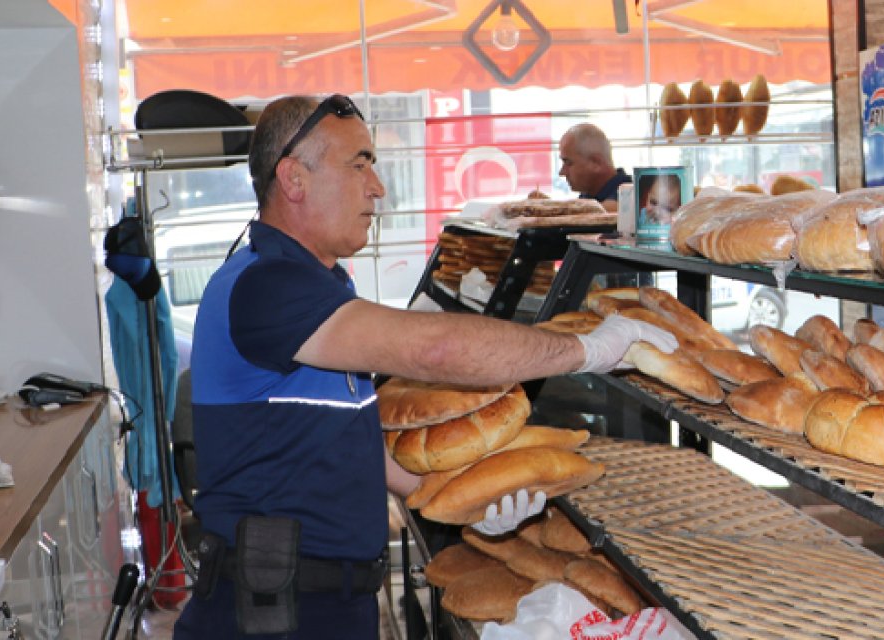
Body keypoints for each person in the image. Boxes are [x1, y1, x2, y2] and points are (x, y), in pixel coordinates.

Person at [174, 94, 676, 639]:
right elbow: (433, 350)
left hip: (320, 602)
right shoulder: (265, 285)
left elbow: (353, 441)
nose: (378, 187)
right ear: (294, 178)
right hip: (269, 612)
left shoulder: (319, 283)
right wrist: (586, 350)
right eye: (359, 164)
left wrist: (466, 501)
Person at [556, 122, 631, 211]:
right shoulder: (588, 195)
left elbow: (605, 212)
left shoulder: (632, 194)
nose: (562, 172)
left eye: (568, 163)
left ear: (596, 163)